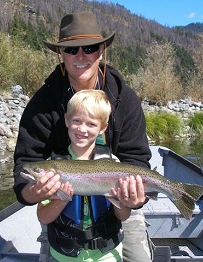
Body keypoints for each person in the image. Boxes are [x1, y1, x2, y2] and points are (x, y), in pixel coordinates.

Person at [13, 11, 153, 262]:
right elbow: (25, 162)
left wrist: (134, 199)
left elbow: (137, 159)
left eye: (88, 48)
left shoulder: (124, 99)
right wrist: (32, 193)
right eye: (71, 49)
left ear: (101, 50)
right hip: (61, 216)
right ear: (60, 54)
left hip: (119, 207)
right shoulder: (43, 103)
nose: (80, 56)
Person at [37, 89, 132, 261]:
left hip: (107, 255)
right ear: (66, 120)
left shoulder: (114, 164)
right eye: (77, 121)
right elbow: (42, 217)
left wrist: (124, 200)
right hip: (64, 255)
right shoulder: (53, 163)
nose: (82, 129)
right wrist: (61, 199)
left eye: (91, 124)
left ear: (103, 128)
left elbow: (123, 216)